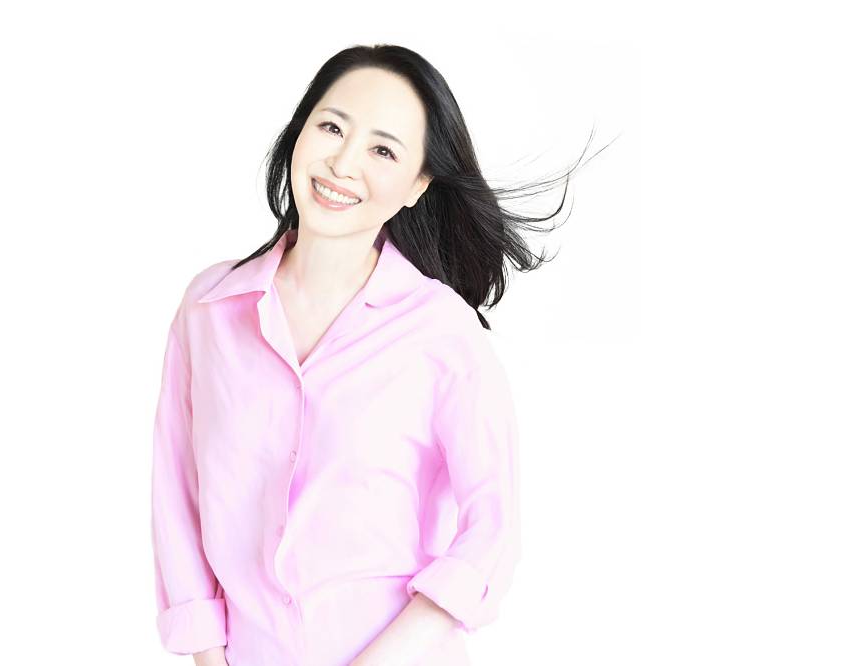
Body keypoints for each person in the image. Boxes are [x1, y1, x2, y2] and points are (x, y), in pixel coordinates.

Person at [152, 44, 588, 666]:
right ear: (299, 131)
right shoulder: (208, 310)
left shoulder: (442, 332)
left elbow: (491, 532)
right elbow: (176, 497)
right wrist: (207, 656)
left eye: (383, 150)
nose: (343, 163)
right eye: (332, 127)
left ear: (417, 185)